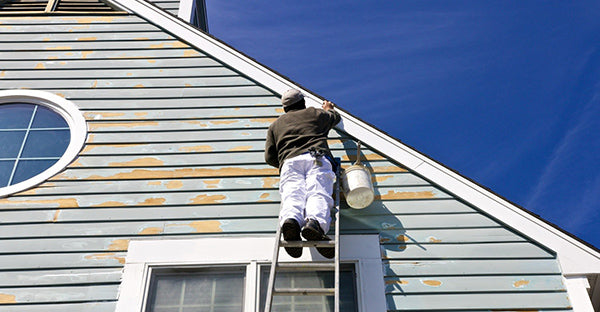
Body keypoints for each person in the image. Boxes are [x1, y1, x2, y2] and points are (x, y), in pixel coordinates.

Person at [265, 89, 341, 258]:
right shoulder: (315, 113)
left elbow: (269, 157)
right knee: (318, 191)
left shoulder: (275, 126)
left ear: (285, 107)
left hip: (289, 163)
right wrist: (328, 108)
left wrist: (284, 161)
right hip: (316, 157)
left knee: (292, 194)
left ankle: (291, 221)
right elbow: (334, 118)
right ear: (303, 102)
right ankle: (315, 224)